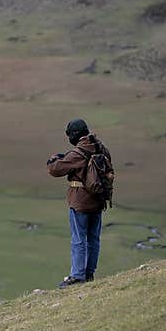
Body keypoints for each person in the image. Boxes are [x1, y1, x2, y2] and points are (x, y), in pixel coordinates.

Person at [46, 118, 113, 288]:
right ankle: (89, 273)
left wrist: (53, 160)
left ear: (74, 135)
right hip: (98, 200)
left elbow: (55, 169)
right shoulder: (101, 148)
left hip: (80, 201)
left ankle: (77, 276)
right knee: (93, 238)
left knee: (78, 239)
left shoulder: (79, 152)